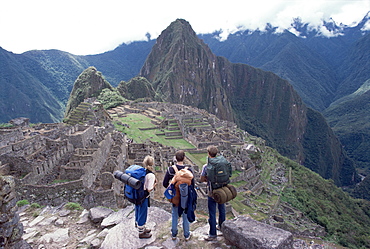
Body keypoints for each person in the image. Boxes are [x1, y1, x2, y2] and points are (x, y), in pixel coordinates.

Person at [200, 145, 232, 241]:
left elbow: (201, 179)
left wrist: (208, 179)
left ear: (208, 154)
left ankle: (213, 234)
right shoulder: (223, 163)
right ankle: (222, 227)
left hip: (212, 191)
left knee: (212, 213)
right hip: (222, 190)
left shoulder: (206, 166)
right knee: (222, 209)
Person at [163, 150, 194, 241]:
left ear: (175, 159)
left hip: (175, 197)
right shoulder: (189, 170)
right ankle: (186, 234)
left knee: (175, 215)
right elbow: (192, 184)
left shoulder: (171, 170)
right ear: (184, 158)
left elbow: (165, 183)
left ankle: (174, 234)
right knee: (185, 215)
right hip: (186, 197)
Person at [136, 155, 157, 239]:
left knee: (138, 210)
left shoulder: (142, 171)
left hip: (137, 194)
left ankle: (139, 226)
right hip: (143, 196)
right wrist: (154, 184)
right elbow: (149, 189)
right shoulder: (151, 175)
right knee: (143, 213)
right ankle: (141, 233)